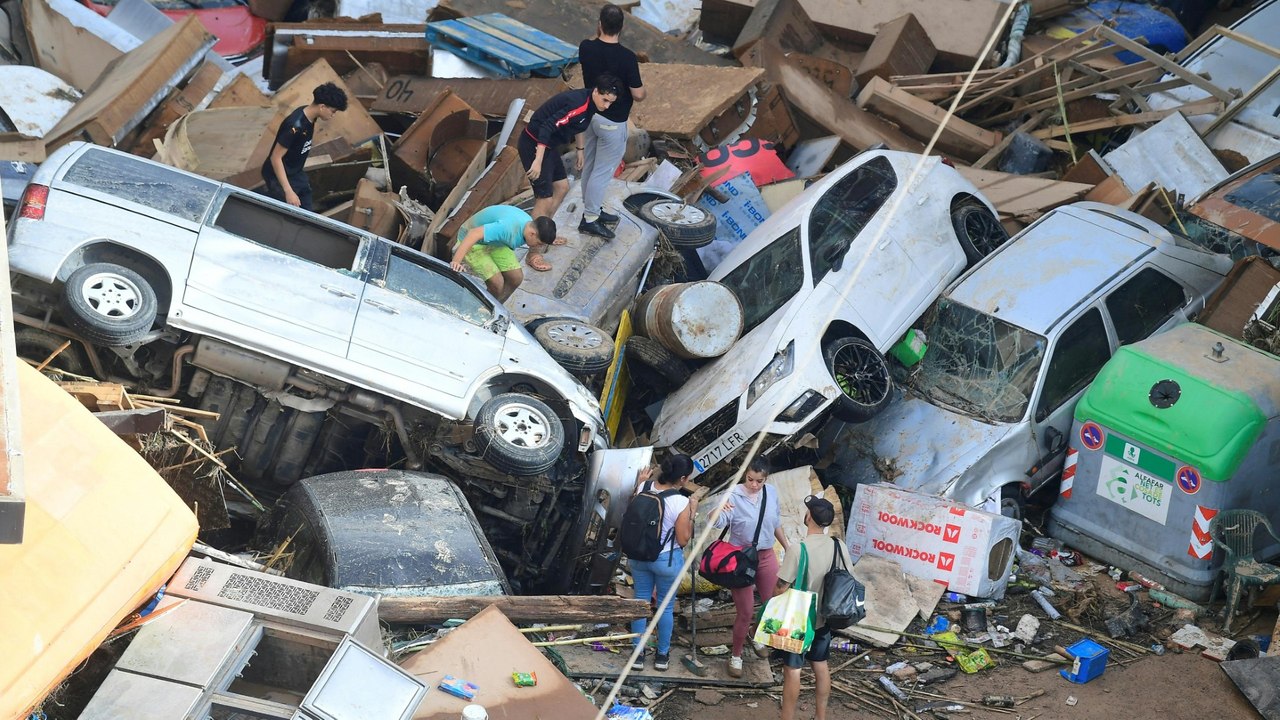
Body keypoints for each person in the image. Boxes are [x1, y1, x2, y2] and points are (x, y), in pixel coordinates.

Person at [517, 74, 619, 265]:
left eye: (610, 103)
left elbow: (579, 126)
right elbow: (546, 128)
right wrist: (537, 161)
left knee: (562, 187)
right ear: (596, 91)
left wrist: (580, 150)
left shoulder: (590, 104)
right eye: (604, 100)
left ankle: (546, 233)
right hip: (534, 143)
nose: (606, 106)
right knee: (544, 197)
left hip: (549, 146)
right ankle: (533, 251)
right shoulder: (577, 104)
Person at [776, 495, 852, 720]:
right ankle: (821, 716)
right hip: (826, 616)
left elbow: (781, 588)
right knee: (820, 665)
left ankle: (787, 717)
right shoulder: (839, 546)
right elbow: (849, 577)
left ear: (809, 517)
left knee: (792, 671)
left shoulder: (799, 550)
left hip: (798, 619)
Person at [714, 457, 788, 678]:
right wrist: (717, 511)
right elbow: (717, 521)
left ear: (766, 479)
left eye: (759, 481)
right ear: (745, 474)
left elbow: (775, 523)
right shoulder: (734, 494)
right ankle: (736, 655)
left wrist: (787, 546)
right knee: (745, 611)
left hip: (766, 555)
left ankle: (755, 634)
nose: (754, 485)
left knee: (772, 605)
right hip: (740, 558)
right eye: (750, 479)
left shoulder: (771, 493)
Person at [576, 4, 645, 240]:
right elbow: (637, 94)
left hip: (590, 114)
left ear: (599, 25)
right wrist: (643, 93)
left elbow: (594, 44)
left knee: (591, 165)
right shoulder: (627, 57)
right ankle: (590, 218)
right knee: (602, 172)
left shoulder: (586, 48)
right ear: (622, 28)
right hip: (612, 121)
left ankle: (591, 209)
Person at [629, 454, 698, 672]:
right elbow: (683, 539)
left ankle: (637, 655)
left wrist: (640, 481)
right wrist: (692, 513)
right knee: (665, 609)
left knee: (639, 604)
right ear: (684, 478)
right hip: (665, 560)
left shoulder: (643, 487)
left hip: (638, 557)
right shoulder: (681, 502)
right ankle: (661, 656)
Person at [261, 82, 348, 211]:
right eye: (333, 111)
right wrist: (288, 191)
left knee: (306, 206)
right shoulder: (295, 126)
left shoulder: (310, 116)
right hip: (279, 176)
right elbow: (275, 158)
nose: (333, 115)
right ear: (322, 107)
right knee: (290, 213)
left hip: (295, 172)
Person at [450, 205, 558, 301]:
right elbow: (473, 233)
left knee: (516, 278)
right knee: (497, 284)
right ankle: (479, 312)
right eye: (539, 243)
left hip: (496, 242)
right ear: (532, 234)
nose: (538, 247)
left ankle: (497, 305)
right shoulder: (506, 229)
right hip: (473, 242)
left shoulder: (528, 225)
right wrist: (456, 261)